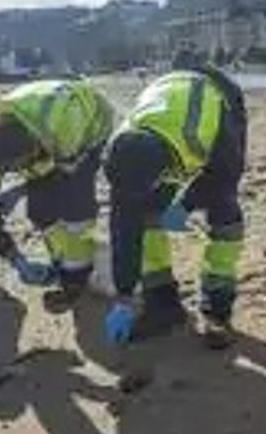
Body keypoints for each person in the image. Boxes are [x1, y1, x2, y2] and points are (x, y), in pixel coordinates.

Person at [101, 56, 247, 349]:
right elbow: (123, 230)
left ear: (165, 172)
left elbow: (225, 175)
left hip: (221, 95)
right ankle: (162, 303)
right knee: (144, 217)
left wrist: (185, 205)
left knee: (225, 211)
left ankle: (217, 308)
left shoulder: (206, 134)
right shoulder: (119, 153)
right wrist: (125, 296)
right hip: (167, 93)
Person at [0, 79, 115, 302]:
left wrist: (73, 279)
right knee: (40, 212)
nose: (17, 172)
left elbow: (77, 203)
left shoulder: (64, 124)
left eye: (21, 165)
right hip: (47, 138)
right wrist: (16, 259)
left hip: (91, 126)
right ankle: (61, 260)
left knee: (74, 212)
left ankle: (78, 271)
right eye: (10, 170)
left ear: (35, 145)